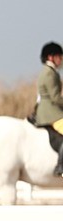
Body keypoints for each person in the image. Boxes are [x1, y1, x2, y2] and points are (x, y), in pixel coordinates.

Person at [36, 41, 63, 175]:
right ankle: (60, 166)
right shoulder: (49, 74)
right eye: (59, 56)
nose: (61, 59)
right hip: (51, 113)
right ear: (51, 57)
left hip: (51, 110)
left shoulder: (50, 72)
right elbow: (56, 97)